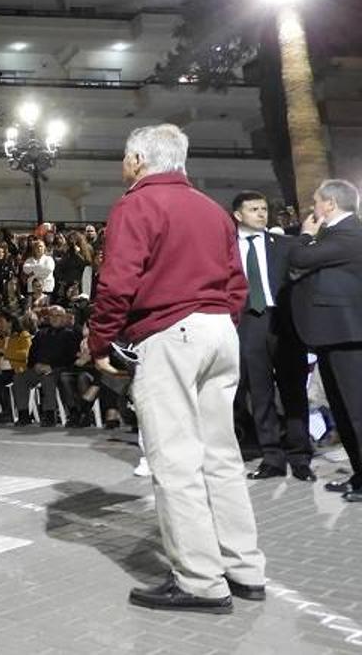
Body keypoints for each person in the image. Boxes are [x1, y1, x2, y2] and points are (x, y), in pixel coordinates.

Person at [85, 124, 260, 614]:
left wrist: (101, 341)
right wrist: (222, 320)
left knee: (175, 460)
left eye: (124, 158)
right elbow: (236, 282)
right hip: (219, 331)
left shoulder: (136, 205)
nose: (123, 167)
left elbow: (117, 282)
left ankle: (201, 580)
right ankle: (244, 566)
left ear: (139, 159)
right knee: (221, 455)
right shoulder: (211, 208)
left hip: (171, 332)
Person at [230, 190, 314, 481]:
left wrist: (307, 235)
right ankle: (272, 458)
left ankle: (301, 457)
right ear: (238, 215)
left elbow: (306, 258)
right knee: (260, 393)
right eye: (254, 209)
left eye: (264, 208)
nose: (261, 214)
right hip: (248, 323)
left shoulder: (283, 244)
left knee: (293, 390)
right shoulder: (224, 248)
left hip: (283, 322)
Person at [288, 179, 362, 502]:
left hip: (350, 335)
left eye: (317, 201)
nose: (313, 208)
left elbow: (300, 258)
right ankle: (359, 476)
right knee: (344, 411)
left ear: (330, 204)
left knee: (357, 411)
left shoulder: (350, 234)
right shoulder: (337, 234)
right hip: (334, 334)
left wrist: (305, 234)